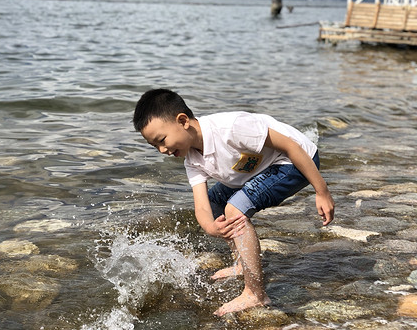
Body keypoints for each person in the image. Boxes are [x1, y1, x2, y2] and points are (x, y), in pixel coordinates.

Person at [132, 88, 335, 316]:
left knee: (234, 209)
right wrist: (210, 227)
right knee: (215, 201)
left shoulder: (231, 128)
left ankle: (256, 294)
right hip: (257, 170)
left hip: (294, 163)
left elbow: (291, 146)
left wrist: (322, 191)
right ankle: (241, 262)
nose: (162, 150)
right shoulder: (192, 160)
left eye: (162, 140)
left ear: (182, 121)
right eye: (154, 146)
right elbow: (201, 205)